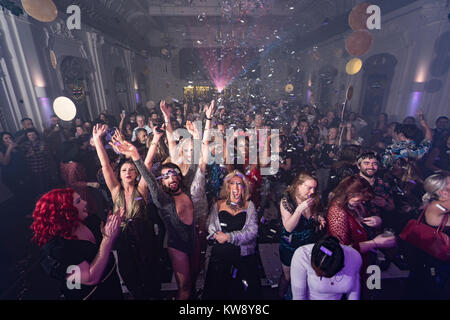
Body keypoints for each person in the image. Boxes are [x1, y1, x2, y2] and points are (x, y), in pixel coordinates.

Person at [112, 138, 195, 300]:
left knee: (192, 284)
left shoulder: (186, 188)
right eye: (166, 176)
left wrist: (201, 128)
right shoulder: (162, 199)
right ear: (161, 181)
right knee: (184, 288)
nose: (171, 178)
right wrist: (136, 156)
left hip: (194, 243)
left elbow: (196, 163)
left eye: (174, 174)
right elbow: (149, 179)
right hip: (177, 247)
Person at [92, 124, 160, 299]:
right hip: (124, 239)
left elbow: (148, 164)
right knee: (130, 276)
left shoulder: (142, 189)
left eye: (131, 170)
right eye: (124, 170)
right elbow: (105, 165)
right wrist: (99, 140)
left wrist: (155, 141)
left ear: (137, 174)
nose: (128, 172)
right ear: (119, 175)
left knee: (151, 275)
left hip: (144, 237)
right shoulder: (116, 191)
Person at [31, 188, 124, 300]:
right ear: (64, 211)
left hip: (112, 284)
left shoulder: (91, 220)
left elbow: (107, 248)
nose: (85, 202)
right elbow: (90, 278)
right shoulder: (57, 248)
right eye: (78, 201)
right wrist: (107, 239)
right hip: (90, 295)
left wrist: (114, 227)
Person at [203, 170, 261, 300]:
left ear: (244, 187)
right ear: (227, 187)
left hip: (242, 255)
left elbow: (253, 231)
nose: (236, 187)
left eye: (239, 184)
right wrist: (216, 234)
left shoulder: (249, 205)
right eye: (232, 183)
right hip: (220, 255)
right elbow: (209, 225)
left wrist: (229, 237)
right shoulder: (218, 204)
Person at [327, 176, 396, 276]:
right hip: (349, 267)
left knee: (371, 287)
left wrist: (377, 220)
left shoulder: (354, 204)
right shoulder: (337, 212)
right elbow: (342, 250)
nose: (361, 202)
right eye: (358, 200)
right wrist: (374, 243)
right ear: (348, 193)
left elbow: (362, 225)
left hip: (365, 259)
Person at [278, 172, 326, 299]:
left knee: (306, 276)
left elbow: (318, 212)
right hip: (291, 245)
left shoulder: (314, 198)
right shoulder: (286, 200)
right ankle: (280, 296)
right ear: (298, 185)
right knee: (288, 277)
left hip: (309, 244)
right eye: (309, 187)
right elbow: (288, 227)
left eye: (314, 188)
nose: (312, 191)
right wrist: (299, 209)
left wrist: (319, 218)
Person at [406, 173, 450, 300]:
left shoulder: (437, 204)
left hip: (434, 261)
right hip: (436, 264)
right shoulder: (438, 207)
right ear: (443, 192)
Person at [291, 236, 362, 300]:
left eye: (324, 275)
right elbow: (299, 297)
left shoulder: (354, 257)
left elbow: (354, 292)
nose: (318, 275)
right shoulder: (302, 255)